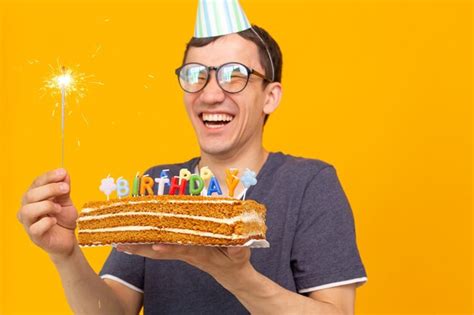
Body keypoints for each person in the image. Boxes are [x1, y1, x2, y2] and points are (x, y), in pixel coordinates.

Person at [17, 1, 366, 314]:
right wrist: (66, 256)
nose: (210, 93)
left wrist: (236, 275)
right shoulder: (159, 188)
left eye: (234, 76)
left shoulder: (309, 185)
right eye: (196, 76)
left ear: (270, 97)